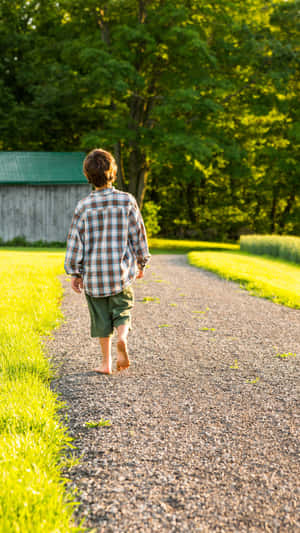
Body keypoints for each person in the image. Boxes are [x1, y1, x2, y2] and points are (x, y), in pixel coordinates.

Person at [64, 148, 150, 374]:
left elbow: (75, 241)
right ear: (113, 172)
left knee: (101, 320)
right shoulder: (126, 201)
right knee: (122, 310)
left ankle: (106, 363)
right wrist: (141, 262)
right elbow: (138, 234)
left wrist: (75, 272)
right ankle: (123, 337)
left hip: (94, 277)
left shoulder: (84, 206)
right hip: (120, 274)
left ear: (88, 176)